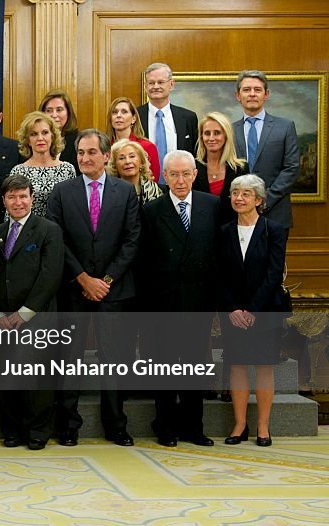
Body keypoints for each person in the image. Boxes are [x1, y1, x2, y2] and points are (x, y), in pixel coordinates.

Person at [46, 129, 140, 448]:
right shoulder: (62, 192)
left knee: (113, 358)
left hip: (114, 291)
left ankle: (115, 425)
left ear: (105, 155)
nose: (84, 158)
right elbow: (57, 239)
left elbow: (132, 240)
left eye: (90, 153)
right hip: (74, 288)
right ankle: (68, 426)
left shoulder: (125, 192)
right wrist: (84, 278)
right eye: (80, 153)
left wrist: (106, 281)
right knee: (68, 358)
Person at [138, 150, 219, 448]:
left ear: (195, 175)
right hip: (164, 303)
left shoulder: (212, 206)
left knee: (195, 367)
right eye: (174, 174)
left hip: (199, 302)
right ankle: (166, 426)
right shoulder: (152, 210)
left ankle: (193, 428)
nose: (181, 180)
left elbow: (219, 254)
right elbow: (144, 262)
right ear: (165, 177)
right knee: (166, 367)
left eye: (186, 173)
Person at [0, 174, 63, 451]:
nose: (17, 202)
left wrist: (24, 313)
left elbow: (50, 275)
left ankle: (37, 431)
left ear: (32, 198)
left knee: (38, 381)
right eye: (12, 197)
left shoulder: (48, 230)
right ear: (4, 201)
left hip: (36, 317)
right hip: (3, 320)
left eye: (23, 196)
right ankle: (12, 430)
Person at [218, 175, 288, 447]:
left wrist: (253, 310)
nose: (238, 198)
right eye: (235, 193)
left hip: (265, 310)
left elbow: (273, 274)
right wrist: (233, 308)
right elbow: (219, 275)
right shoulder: (223, 232)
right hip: (232, 312)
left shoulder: (275, 230)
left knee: (263, 366)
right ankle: (239, 425)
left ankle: (263, 426)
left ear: (258, 200)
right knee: (237, 364)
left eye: (246, 194)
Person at [232, 69, 300, 232]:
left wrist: (264, 199)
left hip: (275, 212)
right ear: (238, 95)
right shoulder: (229, 130)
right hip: (238, 213)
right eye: (247, 90)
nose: (252, 94)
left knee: (274, 259)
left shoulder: (285, 127)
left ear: (266, 94)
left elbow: (292, 168)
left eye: (257, 89)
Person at [8, 111, 76, 217]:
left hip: (60, 230)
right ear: (28, 140)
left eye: (45, 133)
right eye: (34, 134)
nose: (40, 138)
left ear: (52, 137)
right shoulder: (18, 171)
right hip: (31, 231)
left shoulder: (67, 169)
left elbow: (73, 207)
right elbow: (12, 210)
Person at [137, 63, 200, 176]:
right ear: (146, 86)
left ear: (171, 84)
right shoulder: (135, 116)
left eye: (161, 82)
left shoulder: (188, 118)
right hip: (144, 184)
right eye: (151, 83)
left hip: (179, 183)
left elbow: (196, 155)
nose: (156, 86)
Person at [194, 112, 250, 225]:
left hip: (231, 232)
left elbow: (245, 205)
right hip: (200, 231)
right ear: (201, 137)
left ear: (226, 136)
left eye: (217, 133)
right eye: (207, 133)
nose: (211, 138)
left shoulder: (240, 168)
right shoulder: (192, 167)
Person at [106, 97, 160, 181]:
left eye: (124, 112)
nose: (118, 115)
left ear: (133, 119)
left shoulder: (147, 146)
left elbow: (153, 180)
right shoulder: (105, 147)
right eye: (114, 112)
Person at [108, 139, 164, 206]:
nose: (128, 161)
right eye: (121, 158)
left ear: (141, 162)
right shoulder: (108, 192)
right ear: (115, 165)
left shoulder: (157, 191)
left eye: (132, 156)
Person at [39, 90, 80, 165]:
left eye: (59, 110)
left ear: (68, 112)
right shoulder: (36, 140)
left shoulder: (79, 140)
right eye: (49, 110)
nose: (54, 115)